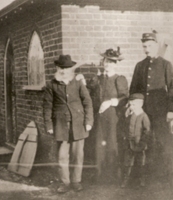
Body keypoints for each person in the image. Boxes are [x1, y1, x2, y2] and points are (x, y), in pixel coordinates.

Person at [43, 55, 94, 193]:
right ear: (57, 68)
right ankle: (65, 182)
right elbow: (47, 106)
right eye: (61, 68)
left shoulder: (78, 83)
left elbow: (87, 102)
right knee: (62, 156)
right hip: (60, 124)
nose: (64, 71)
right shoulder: (51, 85)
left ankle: (76, 181)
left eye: (67, 68)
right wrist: (48, 125)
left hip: (78, 123)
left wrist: (89, 121)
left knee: (78, 155)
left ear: (71, 69)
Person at [129, 32, 173, 176]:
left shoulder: (166, 64)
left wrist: (171, 110)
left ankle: (168, 175)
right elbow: (133, 90)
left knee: (163, 141)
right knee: (144, 141)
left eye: (149, 45)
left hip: (161, 112)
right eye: (144, 46)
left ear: (156, 45)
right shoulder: (140, 66)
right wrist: (135, 106)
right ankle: (145, 175)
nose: (147, 49)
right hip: (143, 112)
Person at [87, 47, 128, 183]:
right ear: (103, 62)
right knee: (99, 144)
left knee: (112, 143)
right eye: (106, 61)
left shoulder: (119, 79)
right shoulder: (97, 79)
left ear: (115, 64)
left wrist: (111, 102)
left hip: (112, 117)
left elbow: (124, 97)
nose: (108, 64)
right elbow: (88, 94)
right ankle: (99, 175)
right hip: (99, 116)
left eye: (111, 62)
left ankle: (113, 176)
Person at [121, 93, 150, 188]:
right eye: (130, 104)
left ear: (141, 104)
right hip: (129, 143)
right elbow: (125, 127)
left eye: (134, 105)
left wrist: (143, 143)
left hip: (139, 144)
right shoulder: (128, 115)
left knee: (140, 163)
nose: (131, 107)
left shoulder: (143, 116)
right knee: (127, 163)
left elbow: (147, 131)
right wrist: (125, 137)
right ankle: (125, 180)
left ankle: (141, 180)